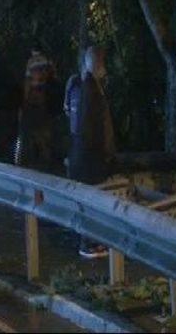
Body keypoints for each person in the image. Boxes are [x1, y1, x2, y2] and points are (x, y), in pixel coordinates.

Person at [69, 46, 116, 258]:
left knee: (87, 200)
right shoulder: (92, 90)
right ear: (97, 65)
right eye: (102, 64)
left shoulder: (77, 86)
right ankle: (88, 243)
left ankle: (88, 241)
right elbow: (95, 127)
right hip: (90, 157)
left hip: (79, 154)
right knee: (92, 200)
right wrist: (106, 153)